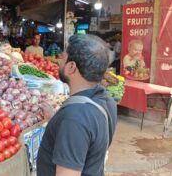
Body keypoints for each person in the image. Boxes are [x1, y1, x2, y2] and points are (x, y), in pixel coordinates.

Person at [37, 34, 117, 176]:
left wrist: (67, 122)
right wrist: (56, 119)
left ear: (71, 67)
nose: (60, 57)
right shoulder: (106, 100)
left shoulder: (74, 118)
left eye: (64, 55)